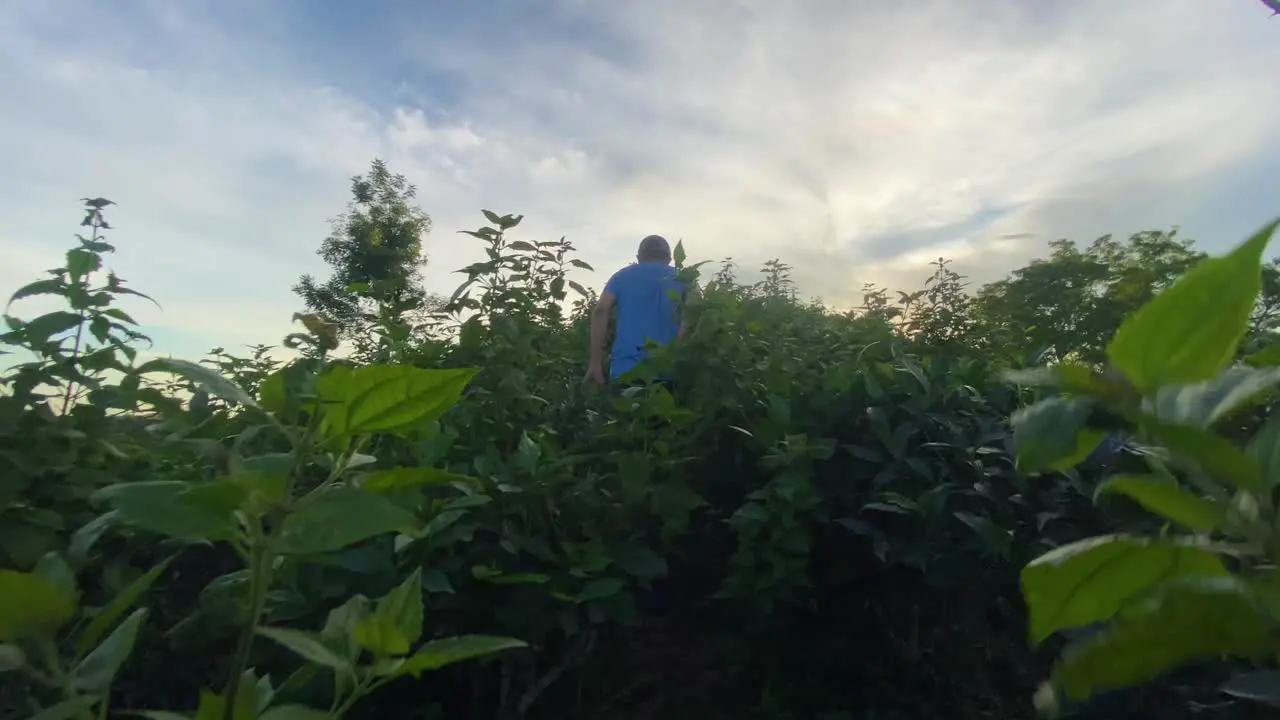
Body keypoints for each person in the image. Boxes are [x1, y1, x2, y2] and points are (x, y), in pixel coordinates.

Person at [583, 235, 694, 387]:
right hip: (669, 369)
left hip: (626, 369)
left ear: (639, 257)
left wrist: (595, 362)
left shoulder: (620, 277)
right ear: (669, 258)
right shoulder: (684, 279)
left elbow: (601, 310)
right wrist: (676, 350)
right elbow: (693, 314)